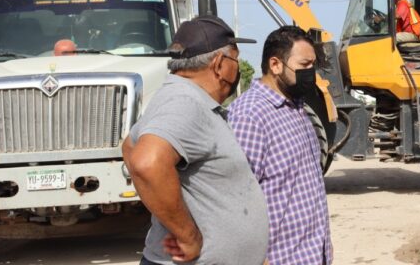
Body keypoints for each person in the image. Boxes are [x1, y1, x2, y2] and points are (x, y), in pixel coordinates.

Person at [122, 15, 269, 265]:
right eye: (236, 58)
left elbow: (130, 145)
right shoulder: (185, 103)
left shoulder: (181, 97)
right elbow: (146, 162)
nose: (238, 65)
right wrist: (188, 236)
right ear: (220, 63)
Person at [228, 26, 332, 265]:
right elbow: (234, 198)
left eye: (313, 65)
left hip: (312, 256)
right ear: (275, 65)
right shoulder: (250, 115)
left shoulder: (297, 108)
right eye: (304, 65)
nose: (311, 72)